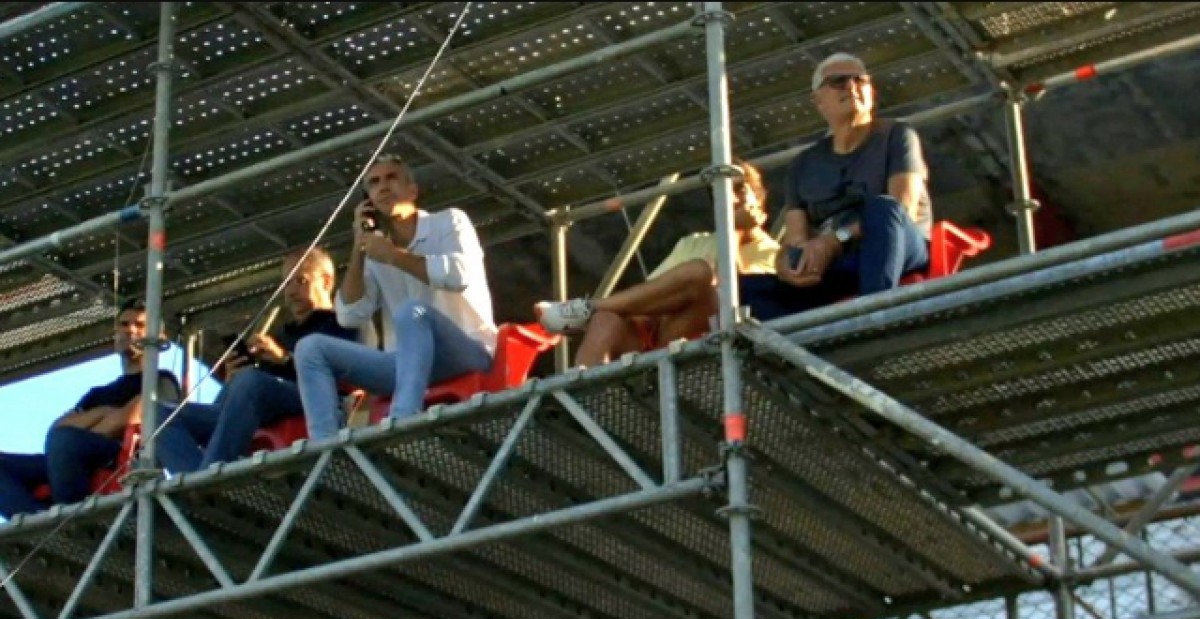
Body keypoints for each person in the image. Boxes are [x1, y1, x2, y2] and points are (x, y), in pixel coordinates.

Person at [294, 153, 497, 438]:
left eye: (392, 178)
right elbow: (350, 315)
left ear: (412, 190)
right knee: (310, 348)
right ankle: (326, 451)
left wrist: (394, 256)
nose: (383, 187)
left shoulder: (450, 221)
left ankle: (402, 424)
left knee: (412, 312)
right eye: (374, 183)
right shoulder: (376, 252)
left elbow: (459, 275)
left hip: (467, 351)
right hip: (404, 366)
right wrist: (359, 246)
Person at [739, 52, 933, 320]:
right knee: (743, 290)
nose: (852, 87)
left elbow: (903, 210)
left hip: (894, 246)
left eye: (860, 80)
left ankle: (876, 318)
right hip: (837, 263)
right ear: (818, 100)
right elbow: (795, 236)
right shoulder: (802, 164)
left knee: (883, 208)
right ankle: (795, 352)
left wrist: (833, 241)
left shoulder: (897, 135)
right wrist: (787, 264)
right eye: (839, 81)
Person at [533, 159, 779, 367]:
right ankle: (586, 398)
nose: (731, 201)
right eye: (722, 195)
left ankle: (589, 307)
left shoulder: (775, 254)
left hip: (708, 337)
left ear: (759, 199)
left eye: (739, 191)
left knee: (700, 271)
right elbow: (649, 296)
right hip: (659, 333)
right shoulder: (693, 242)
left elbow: (738, 300)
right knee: (606, 319)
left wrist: (733, 231)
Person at [155, 248, 359, 473]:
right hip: (260, 407)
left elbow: (349, 377)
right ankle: (195, 484)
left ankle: (208, 480)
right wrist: (235, 379)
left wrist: (284, 359)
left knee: (250, 382)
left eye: (300, 281)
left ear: (326, 281)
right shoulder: (282, 335)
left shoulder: (342, 323)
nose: (290, 291)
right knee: (157, 415)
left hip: (318, 402)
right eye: (286, 284)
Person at [0, 298, 180, 520]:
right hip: (69, 459)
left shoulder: (161, 380)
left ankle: (67, 520)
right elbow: (56, 428)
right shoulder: (96, 394)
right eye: (124, 324)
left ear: (159, 337)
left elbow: (129, 418)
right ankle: (34, 521)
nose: (130, 330)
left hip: (118, 457)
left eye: (140, 325)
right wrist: (105, 413)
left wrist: (86, 427)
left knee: (65, 441)